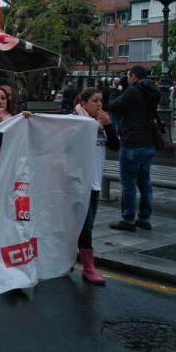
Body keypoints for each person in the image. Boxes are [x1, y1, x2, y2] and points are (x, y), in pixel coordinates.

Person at [73, 87, 120, 284]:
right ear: (83, 103)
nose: (99, 104)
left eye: (101, 100)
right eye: (94, 100)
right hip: (77, 182)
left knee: (80, 225)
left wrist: (107, 126)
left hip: (94, 181)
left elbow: (115, 146)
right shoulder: (74, 120)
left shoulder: (102, 123)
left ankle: (68, 259)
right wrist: (95, 126)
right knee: (86, 225)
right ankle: (88, 267)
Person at [108, 65, 161, 232]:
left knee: (129, 183)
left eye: (128, 76)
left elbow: (114, 106)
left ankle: (128, 219)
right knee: (145, 183)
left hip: (132, 143)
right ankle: (144, 218)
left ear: (133, 76)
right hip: (148, 144)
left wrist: (115, 91)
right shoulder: (153, 91)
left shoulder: (133, 91)